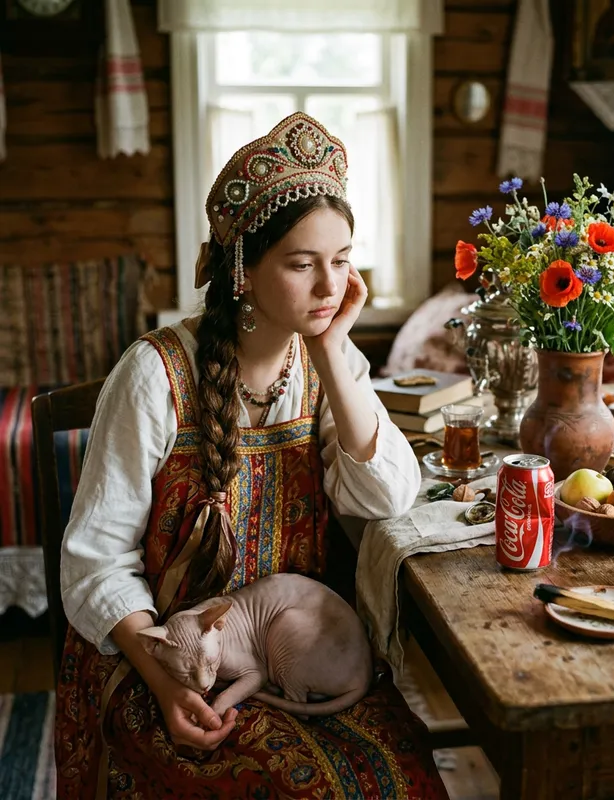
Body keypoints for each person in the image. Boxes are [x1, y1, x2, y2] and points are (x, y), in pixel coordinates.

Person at [55, 112, 448, 799]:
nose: (330, 287)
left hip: (297, 654)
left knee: (400, 778)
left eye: (343, 259)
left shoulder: (326, 363)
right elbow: (95, 560)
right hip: (159, 661)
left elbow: (388, 499)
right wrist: (167, 684)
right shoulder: (153, 376)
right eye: (302, 264)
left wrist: (330, 354)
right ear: (242, 269)